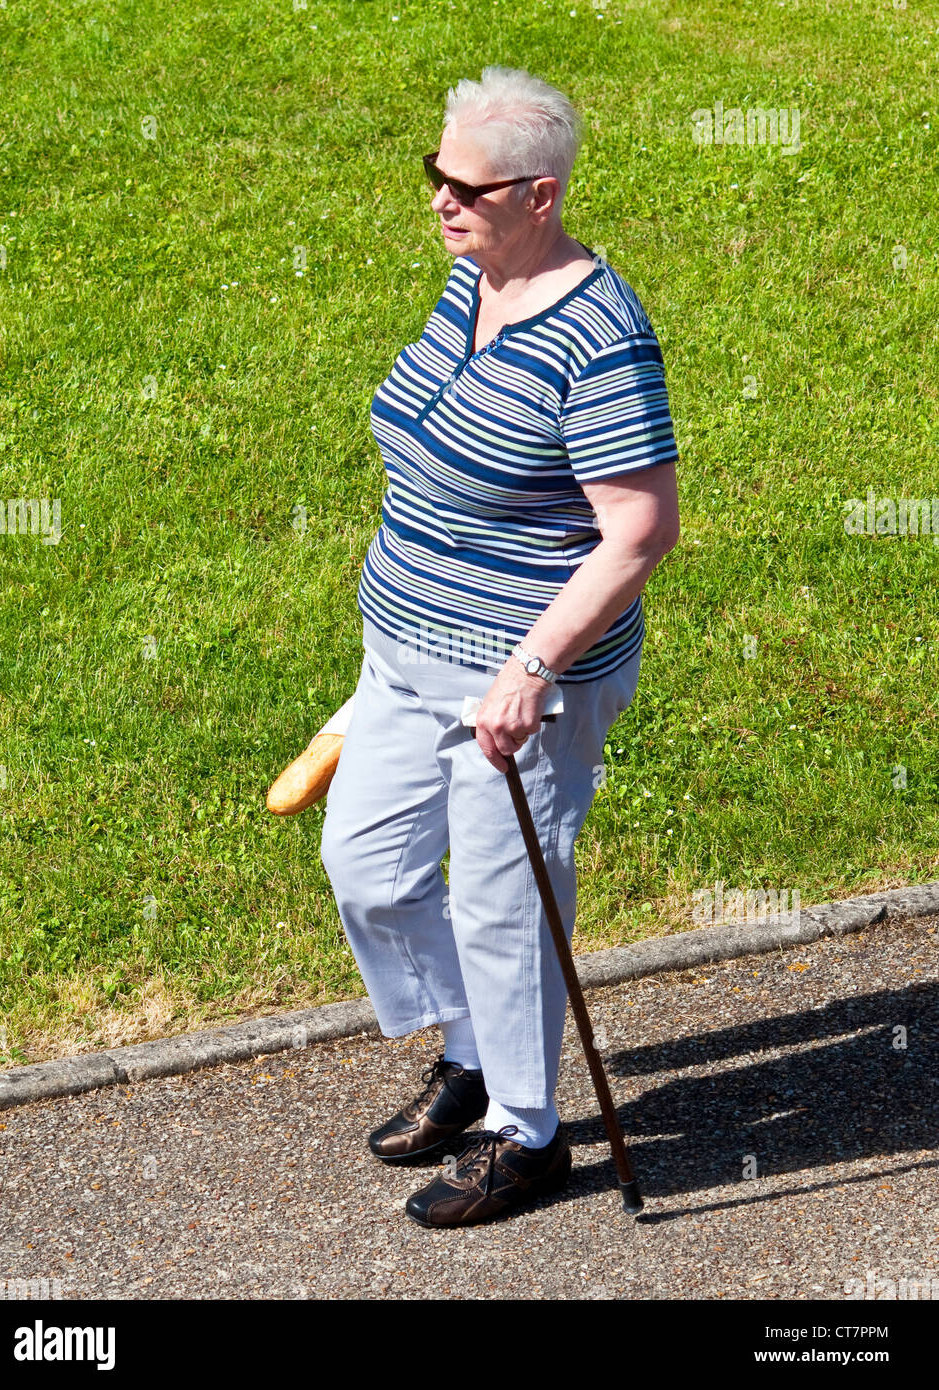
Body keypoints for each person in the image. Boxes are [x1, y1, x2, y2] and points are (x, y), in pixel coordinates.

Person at [320, 65, 680, 1228]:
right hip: (402, 645)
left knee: (503, 903)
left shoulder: (599, 336)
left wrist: (529, 670)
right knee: (367, 869)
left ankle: (527, 1134)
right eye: (433, 174)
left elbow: (640, 529)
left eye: (462, 186)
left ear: (540, 192)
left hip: (518, 679)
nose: (438, 200)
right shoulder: (471, 280)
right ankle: (472, 1048)